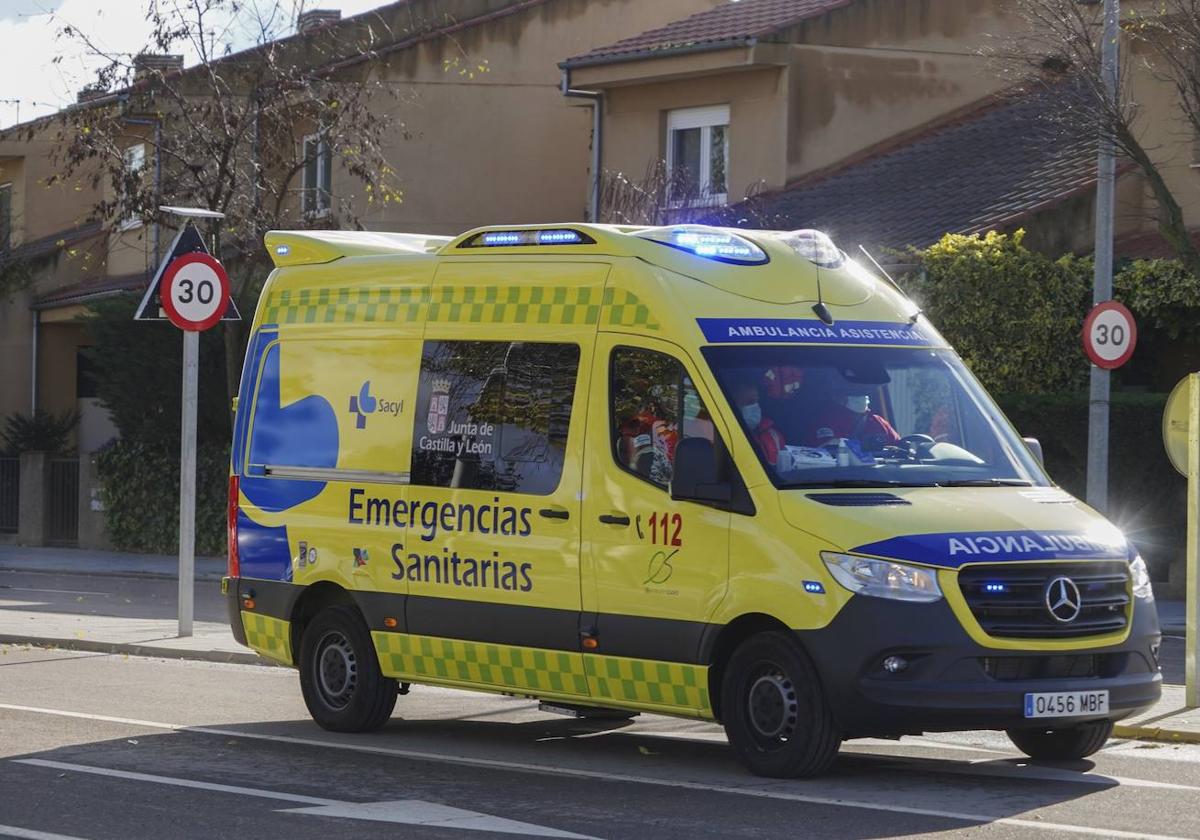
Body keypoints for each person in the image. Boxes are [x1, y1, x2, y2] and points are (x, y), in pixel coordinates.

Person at [808, 390, 900, 451]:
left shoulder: (878, 421)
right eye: (855, 389)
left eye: (862, 389)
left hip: (879, 473)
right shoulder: (828, 419)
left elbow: (899, 446)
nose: (861, 394)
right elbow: (822, 450)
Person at [733, 380, 786, 466]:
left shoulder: (774, 436)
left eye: (756, 402)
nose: (755, 407)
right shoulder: (723, 437)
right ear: (734, 404)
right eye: (750, 402)